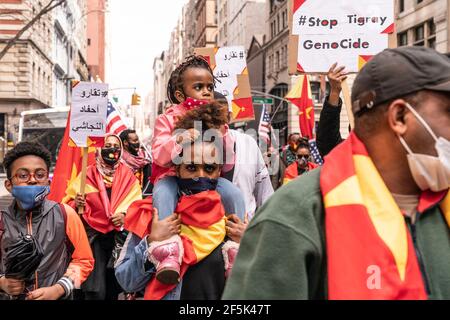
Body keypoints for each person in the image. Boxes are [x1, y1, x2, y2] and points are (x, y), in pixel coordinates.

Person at [222, 46, 450, 300]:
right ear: (399, 116)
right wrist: (333, 92)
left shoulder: (442, 209)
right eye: (448, 112)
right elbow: (328, 139)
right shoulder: (293, 218)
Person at [115, 102, 248, 300]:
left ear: (219, 171)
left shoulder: (235, 220)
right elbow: (126, 281)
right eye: (192, 168)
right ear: (177, 169)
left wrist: (249, 246)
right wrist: (152, 241)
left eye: (209, 169)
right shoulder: (153, 217)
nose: (200, 176)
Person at [151, 55, 246, 226]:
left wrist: (224, 135)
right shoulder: (166, 119)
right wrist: (180, 139)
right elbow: (159, 155)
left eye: (210, 87)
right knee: (163, 194)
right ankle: (165, 240)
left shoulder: (217, 119)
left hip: (208, 179)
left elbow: (228, 164)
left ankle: (237, 238)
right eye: (198, 87)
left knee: (234, 194)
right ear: (180, 95)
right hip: (172, 178)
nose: (207, 91)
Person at [0, 142, 94, 300]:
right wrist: (2, 283)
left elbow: (84, 261)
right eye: (23, 175)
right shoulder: (1, 221)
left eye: (40, 174)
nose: (32, 180)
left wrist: (59, 289)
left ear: (48, 182)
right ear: (9, 184)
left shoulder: (65, 214)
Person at [64, 134, 142, 300]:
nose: (112, 149)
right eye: (107, 145)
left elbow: (136, 206)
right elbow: (67, 207)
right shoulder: (86, 174)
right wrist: (77, 203)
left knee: (113, 288)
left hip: (117, 240)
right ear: (99, 149)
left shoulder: (128, 175)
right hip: (92, 239)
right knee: (94, 289)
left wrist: (124, 216)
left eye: (116, 145)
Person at [214, 92, 274, 219]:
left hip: (244, 235)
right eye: (206, 117)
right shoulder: (188, 147)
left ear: (228, 117)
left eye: (218, 116)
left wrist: (252, 232)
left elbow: (266, 197)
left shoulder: (247, 144)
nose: (212, 122)